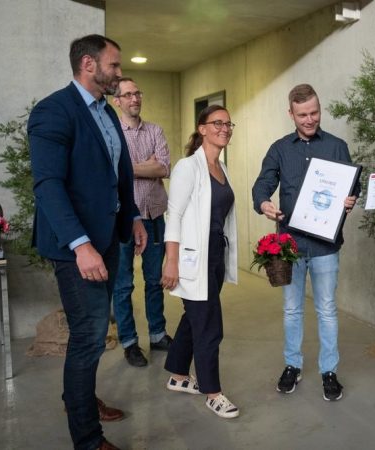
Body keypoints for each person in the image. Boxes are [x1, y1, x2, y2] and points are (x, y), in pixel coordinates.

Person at [28, 34, 147, 450]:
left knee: (93, 333)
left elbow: (119, 174)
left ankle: (78, 400)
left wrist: (133, 216)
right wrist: (80, 245)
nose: (119, 73)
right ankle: (88, 439)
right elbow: (48, 185)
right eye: (114, 65)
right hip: (77, 248)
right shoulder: (53, 111)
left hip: (108, 238)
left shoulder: (106, 111)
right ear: (88, 65)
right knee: (89, 335)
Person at [252, 83, 360, 401]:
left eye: (314, 113)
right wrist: (264, 203)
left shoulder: (337, 146)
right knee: (291, 310)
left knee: (327, 310)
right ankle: (293, 366)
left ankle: (329, 371)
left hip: (326, 246)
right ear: (291, 114)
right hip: (290, 247)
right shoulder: (279, 149)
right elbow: (262, 184)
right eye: (302, 115)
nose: (310, 119)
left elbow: (353, 185)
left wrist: (351, 198)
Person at [161, 105, 240, 419]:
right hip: (194, 258)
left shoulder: (222, 168)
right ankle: (213, 393)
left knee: (194, 317)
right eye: (217, 123)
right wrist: (171, 261)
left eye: (228, 124)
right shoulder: (188, 167)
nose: (224, 128)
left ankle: (178, 375)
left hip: (216, 256)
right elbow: (174, 216)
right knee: (208, 325)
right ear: (202, 128)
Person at [111, 77, 173, 367]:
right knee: (123, 284)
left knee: (154, 280)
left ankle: (158, 334)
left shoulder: (155, 130)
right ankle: (129, 342)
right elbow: (111, 172)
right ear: (117, 101)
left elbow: (164, 167)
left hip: (154, 215)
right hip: (123, 218)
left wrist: (128, 168)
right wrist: (146, 166)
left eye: (137, 93)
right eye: (127, 95)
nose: (134, 98)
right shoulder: (113, 134)